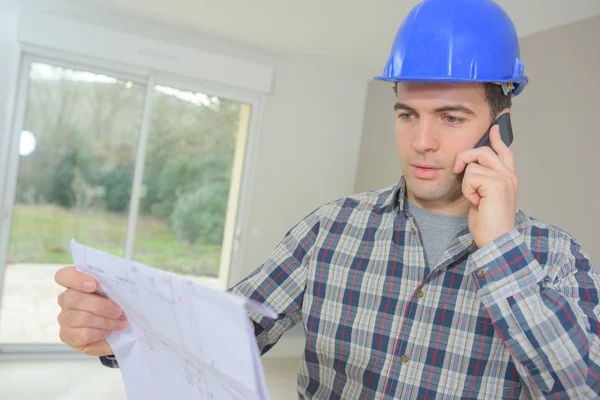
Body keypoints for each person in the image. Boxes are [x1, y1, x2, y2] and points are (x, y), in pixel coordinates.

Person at [54, 0, 600, 398]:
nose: (421, 141)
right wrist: (118, 329)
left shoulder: (556, 258)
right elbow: (220, 335)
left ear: (499, 128)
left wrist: (501, 251)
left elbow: (582, 388)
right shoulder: (332, 227)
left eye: (451, 118)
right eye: (407, 114)